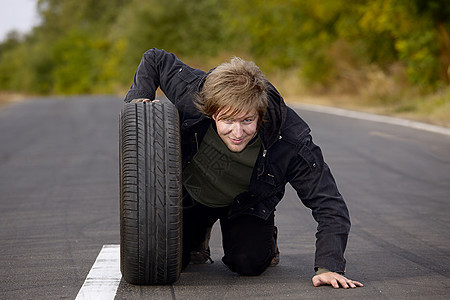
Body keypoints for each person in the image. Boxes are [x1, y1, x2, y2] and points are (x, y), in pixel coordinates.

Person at [124, 48, 363, 289]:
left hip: (245, 204)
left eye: (247, 121)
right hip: (191, 195)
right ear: (211, 111)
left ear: (260, 115)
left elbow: (329, 203)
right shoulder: (193, 94)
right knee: (173, 260)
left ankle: (267, 240)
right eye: (227, 120)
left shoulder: (291, 140)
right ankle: (197, 237)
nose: (237, 133)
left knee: (249, 264)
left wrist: (329, 266)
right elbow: (155, 58)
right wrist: (138, 105)